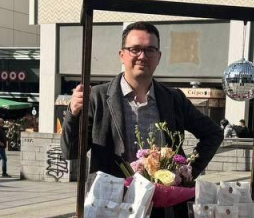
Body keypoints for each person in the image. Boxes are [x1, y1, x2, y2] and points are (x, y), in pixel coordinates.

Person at [60, 21, 223, 179]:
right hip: (112, 201)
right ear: (121, 55)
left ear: (158, 57)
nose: (142, 56)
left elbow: (213, 133)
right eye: (135, 49)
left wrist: (187, 173)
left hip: (162, 203)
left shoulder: (174, 99)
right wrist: (73, 114)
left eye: (150, 50)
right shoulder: (97, 97)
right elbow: (71, 152)